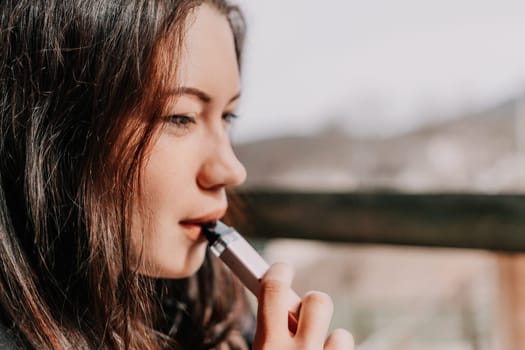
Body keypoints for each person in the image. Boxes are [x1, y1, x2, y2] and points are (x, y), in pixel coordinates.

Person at [0, 0, 354, 349]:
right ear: (57, 131)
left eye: (227, 117)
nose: (232, 170)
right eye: (181, 117)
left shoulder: (205, 307)